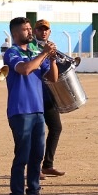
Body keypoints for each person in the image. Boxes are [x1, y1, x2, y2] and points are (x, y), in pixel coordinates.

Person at [3, 17, 59, 195]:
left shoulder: (36, 52)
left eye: (29, 29)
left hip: (37, 109)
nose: (29, 32)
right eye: (26, 30)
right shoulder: (12, 52)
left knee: (37, 155)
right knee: (22, 155)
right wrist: (44, 54)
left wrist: (51, 59)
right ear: (15, 34)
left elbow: (53, 78)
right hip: (20, 110)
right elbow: (25, 70)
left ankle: (34, 193)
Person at [36, 20, 68, 177]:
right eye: (40, 29)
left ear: (49, 32)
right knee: (37, 132)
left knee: (56, 128)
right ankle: (34, 167)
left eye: (46, 30)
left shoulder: (51, 47)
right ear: (35, 31)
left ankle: (47, 164)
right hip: (36, 96)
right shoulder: (32, 48)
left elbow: (54, 74)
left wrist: (53, 58)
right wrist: (45, 54)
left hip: (49, 94)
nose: (43, 32)